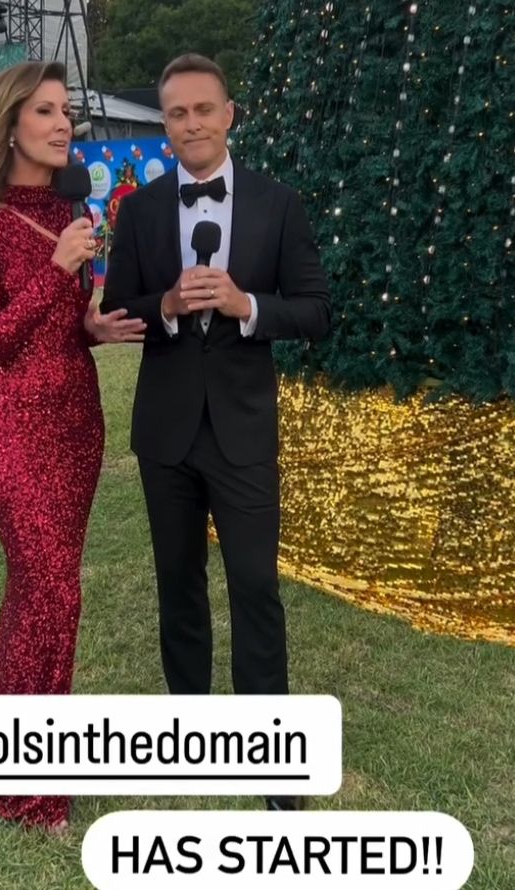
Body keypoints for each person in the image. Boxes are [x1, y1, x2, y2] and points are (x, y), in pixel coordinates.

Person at [102, 53, 331, 812]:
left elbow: (315, 310)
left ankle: (271, 759)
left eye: (204, 109)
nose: (191, 124)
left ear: (229, 115)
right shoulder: (138, 210)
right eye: (177, 113)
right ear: (164, 124)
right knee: (178, 584)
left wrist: (246, 305)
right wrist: (166, 306)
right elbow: (118, 308)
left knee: (256, 588)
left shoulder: (278, 203)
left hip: (242, 432)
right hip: (165, 435)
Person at [0, 60, 146, 832]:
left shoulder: (69, 213)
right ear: (8, 125)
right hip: (5, 422)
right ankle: (28, 788)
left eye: (66, 112)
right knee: (53, 590)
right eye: (46, 112)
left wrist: (89, 327)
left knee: (39, 593)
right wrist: (55, 270)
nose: (64, 124)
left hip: (74, 420)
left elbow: (56, 325)